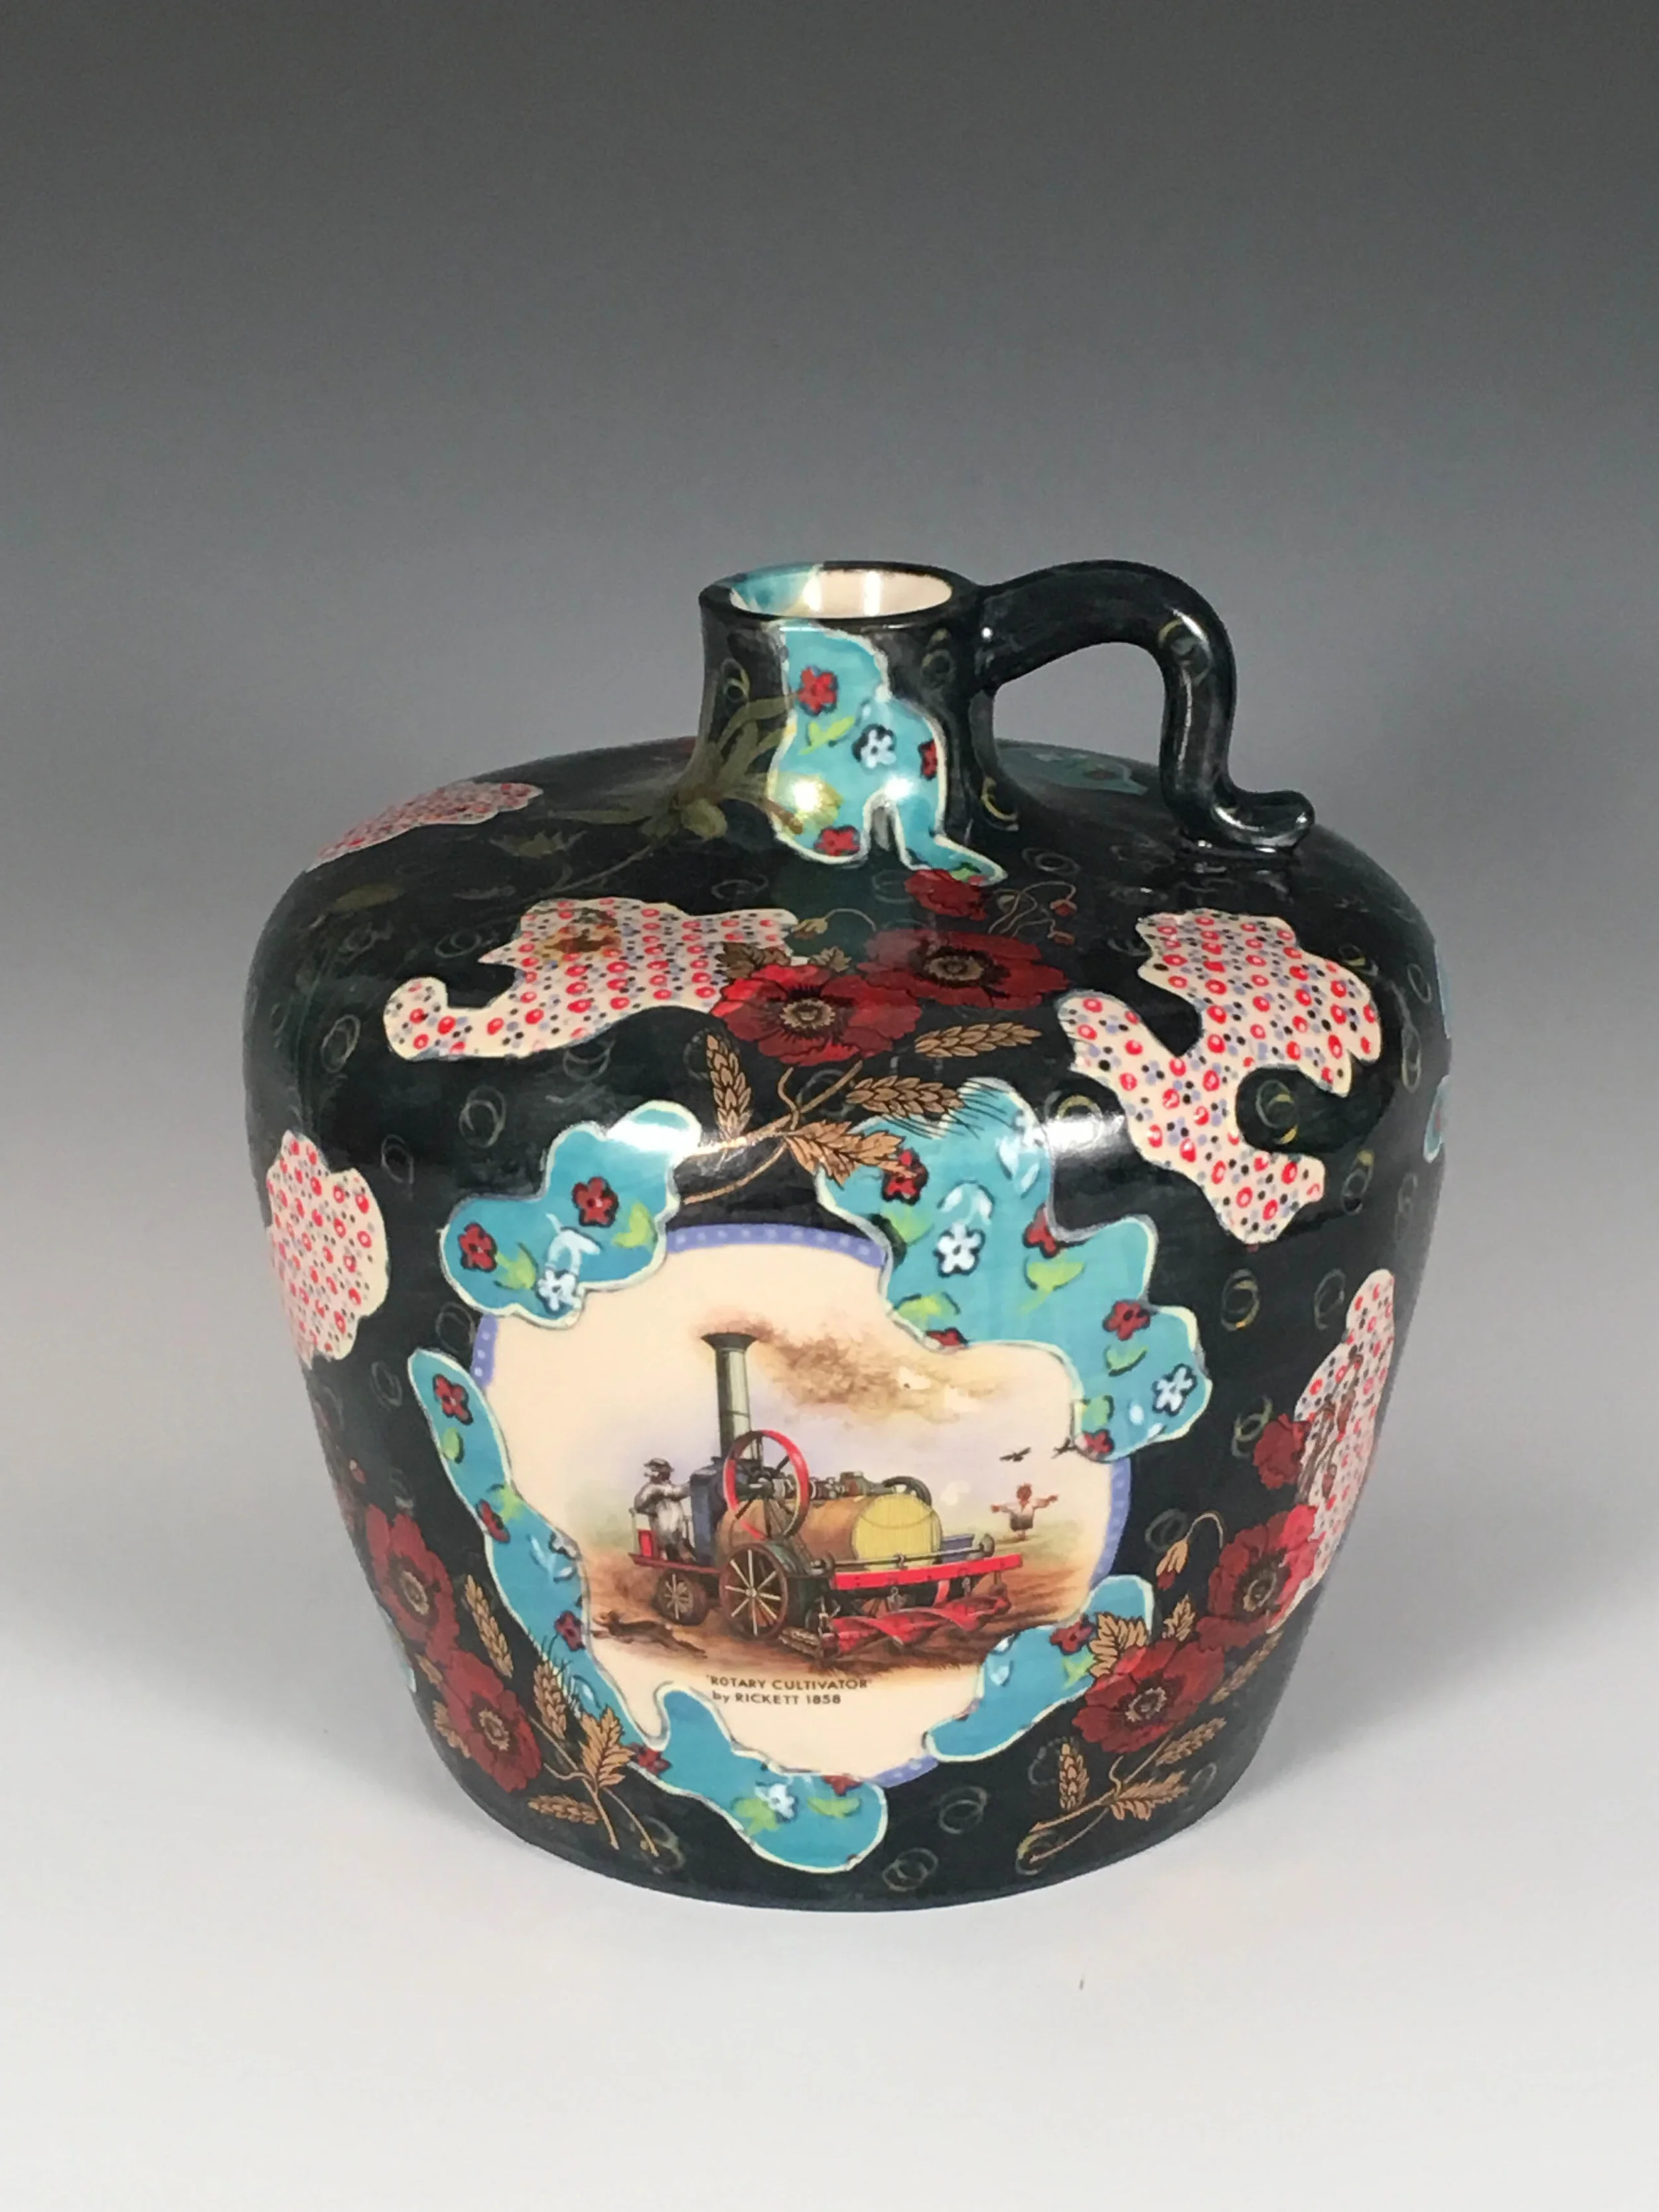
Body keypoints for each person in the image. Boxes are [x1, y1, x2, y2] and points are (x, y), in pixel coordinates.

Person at [633, 1457, 693, 1557]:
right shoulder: (651, 1488)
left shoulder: (667, 1487)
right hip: (663, 1530)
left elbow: (678, 1492)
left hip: (676, 1529)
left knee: (681, 1546)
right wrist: (651, 1510)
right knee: (670, 1546)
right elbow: (638, 1504)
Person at [991, 1481, 1058, 1536]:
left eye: (1027, 1492)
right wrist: (995, 1507)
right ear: (1019, 1494)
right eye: (1023, 1492)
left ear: (1030, 1494)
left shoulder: (1034, 1503)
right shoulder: (1012, 1505)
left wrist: (1050, 1499)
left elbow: (1045, 1502)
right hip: (1014, 1533)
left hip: (1028, 1533)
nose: (1025, 1494)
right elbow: (997, 1508)